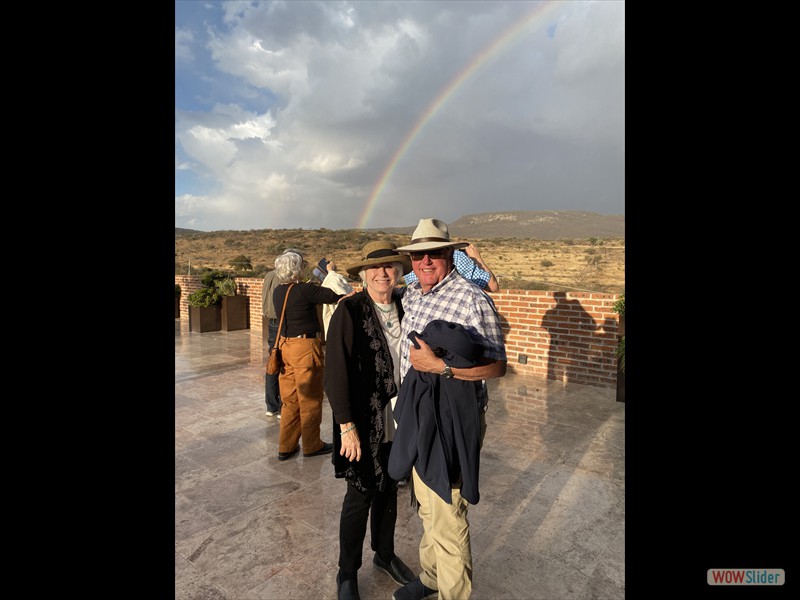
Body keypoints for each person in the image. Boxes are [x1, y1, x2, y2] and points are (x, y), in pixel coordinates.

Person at [389, 218, 507, 600]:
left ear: (450, 255)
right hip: (417, 410)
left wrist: (443, 368)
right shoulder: (412, 293)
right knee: (426, 503)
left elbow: (498, 365)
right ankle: (430, 577)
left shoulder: (472, 299)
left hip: (452, 418)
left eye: (434, 254)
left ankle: (452, 593)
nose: (425, 261)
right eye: (417, 255)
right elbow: (383, 288)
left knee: (447, 510)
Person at [324, 241, 417, 600]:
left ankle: (385, 553)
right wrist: (346, 425)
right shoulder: (350, 310)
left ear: (398, 272)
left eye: (390, 267)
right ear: (363, 274)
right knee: (360, 493)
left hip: (401, 414)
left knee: (389, 487)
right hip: (362, 420)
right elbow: (335, 373)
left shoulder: (407, 303)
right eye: (375, 268)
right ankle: (346, 571)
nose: (383, 273)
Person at [273, 251, 353, 461]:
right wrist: (331, 273)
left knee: (289, 400)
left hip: (285, 348)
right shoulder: (305, 290)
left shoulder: (278, 291)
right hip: (304, 348)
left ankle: (286, 446)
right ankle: (311, 444)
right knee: (310, 399)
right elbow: (335, 296)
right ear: (297, 269)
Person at [262, 247, 305, 418]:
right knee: (284, 365)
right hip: (283, 323)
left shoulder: (268, 275)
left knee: (273, 363)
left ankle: (271, 406)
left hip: (271, 323)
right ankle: (282, 406)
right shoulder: (284, 278)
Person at [403, 243, 500, 292]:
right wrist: (477, 258)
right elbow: (493, 286)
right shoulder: (458, 257)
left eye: (435, 253)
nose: (426, 261)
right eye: (419, 254)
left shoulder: (414, 264)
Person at [311, 258, 354, 339]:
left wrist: (331, 272)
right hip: (335, 332)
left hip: (339, 330)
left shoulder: (331, 282)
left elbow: (339, 291)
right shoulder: (330, 282)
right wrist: (331, 271)